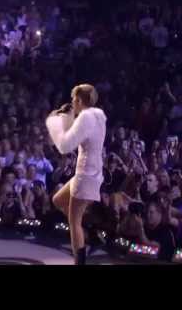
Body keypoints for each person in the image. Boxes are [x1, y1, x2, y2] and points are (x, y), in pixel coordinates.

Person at [46, 84, 107, 265]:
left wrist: (60, 118)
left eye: (74, 99)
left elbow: (64, 146)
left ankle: (79, 262)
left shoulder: (87, 118)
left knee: (74, 222)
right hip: (89, 173)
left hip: (85, 175)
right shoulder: (96, 116)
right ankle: (90, 229)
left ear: (80, 100)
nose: (72, 101)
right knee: (58, 200)